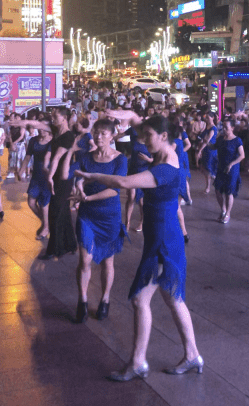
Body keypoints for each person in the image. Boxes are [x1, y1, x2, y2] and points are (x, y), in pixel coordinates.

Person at [75, 114, 202, 381]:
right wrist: (124, 117)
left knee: (139, 299)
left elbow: (122, 183)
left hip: (164, 242)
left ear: (164, 136)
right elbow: (136, 121)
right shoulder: (163, 155)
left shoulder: (166, 168)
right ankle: (192, 356)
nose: (143, 141)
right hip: (162, 236)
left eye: (149, 137)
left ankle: (138, 362)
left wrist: (90, 174)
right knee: (172, 298)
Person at [70, 119, 128, 323]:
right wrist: (79, 186)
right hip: (87, 215)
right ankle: (83, 300)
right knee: (84, 259)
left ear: (113, 136)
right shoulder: (86, 156)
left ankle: (105, 299)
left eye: (104, 133)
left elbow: (115, 189)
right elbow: (78, 175)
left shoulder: (120, 160)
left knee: (107, 260)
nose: (99, 136)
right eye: (96, 133)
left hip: (108, 215)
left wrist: (88, 198)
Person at [18, 121, 53, 239]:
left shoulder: (53, 141)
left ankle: (46, 227)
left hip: (48, 175)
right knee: (31, 201)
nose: (40, 129)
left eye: (43, 127)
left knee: (44, 203)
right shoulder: (33, 140)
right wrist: (21, 170)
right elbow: (28, 156)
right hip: (36, 175)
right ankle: (46, 223)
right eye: (38, 127)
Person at [213, 118, 244, 223]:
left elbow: (242, 155)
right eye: (223, 127)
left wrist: (232, 164)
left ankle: (228, 213)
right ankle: (223, 209)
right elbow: (214, 146)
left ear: (232, 128)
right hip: (221, 167)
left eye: (226, 127)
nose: (224, 129)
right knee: (217, 189)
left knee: (228, 192)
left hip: (232, 169)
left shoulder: (237, 140)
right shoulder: (221, 138)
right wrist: (204, 144)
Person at [125, 124, 153, 232]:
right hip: (132, 169)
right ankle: (127, 223)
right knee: (131, 196)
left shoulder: (149, 143)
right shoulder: (135, 139)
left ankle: (142, 222)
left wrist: (147, 159)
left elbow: (155, 160)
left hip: (144, 171)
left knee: (141, 201)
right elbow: (130, 152)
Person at [196, 112, 218, 194]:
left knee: (209, 168)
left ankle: (216, 183)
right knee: (205, 169)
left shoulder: (213, 128)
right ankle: (208, 186)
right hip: (205, 149)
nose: (206, 119)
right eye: (206, 117)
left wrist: (200, 150)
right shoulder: (206, 127)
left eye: (208, 117)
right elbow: (203, 138)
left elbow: (207, 140)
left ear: (212, 118)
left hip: (211, 150)